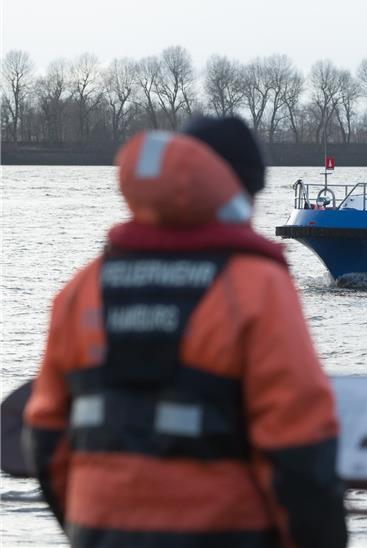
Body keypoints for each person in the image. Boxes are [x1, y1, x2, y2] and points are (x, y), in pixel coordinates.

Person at [23, 117, 348, 548]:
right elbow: (299, 442)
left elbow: (46, 434)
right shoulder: (253, 287)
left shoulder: (84, 288)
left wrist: (92, 527)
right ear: (237, 192)